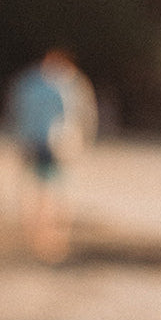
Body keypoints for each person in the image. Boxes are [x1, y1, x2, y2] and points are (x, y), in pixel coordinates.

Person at [6, 47, 98, 261]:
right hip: (54, 143)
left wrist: (16, 137)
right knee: (53, 191)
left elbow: (16, 111)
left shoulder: (29, 81)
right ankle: (49, 237)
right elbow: (79, 114)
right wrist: (81, 142)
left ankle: (35, 235)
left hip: (32, 141)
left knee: (37, 187)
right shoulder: (68, 83)